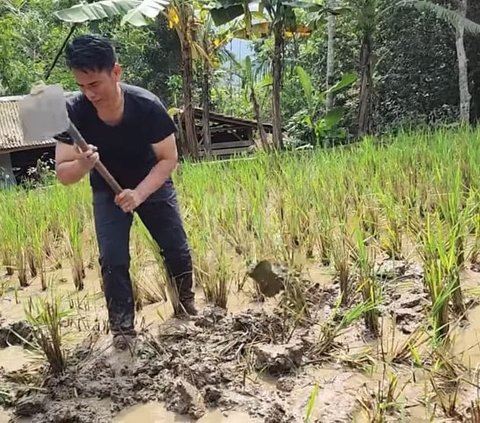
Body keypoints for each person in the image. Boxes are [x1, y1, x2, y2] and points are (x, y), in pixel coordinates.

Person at [54, 33, 197, 350]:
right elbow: (63, 172)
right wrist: (83, 164)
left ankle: (186, 310)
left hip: (150, 182)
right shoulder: (72, 115)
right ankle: (123, 332)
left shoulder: (147, 106)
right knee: (113, 259)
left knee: (176, 248)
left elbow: (168, 159)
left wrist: (139, 193)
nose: (89, 94)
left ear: (115, 72)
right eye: (81, 86)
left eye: (95, 84)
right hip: (107, 192)